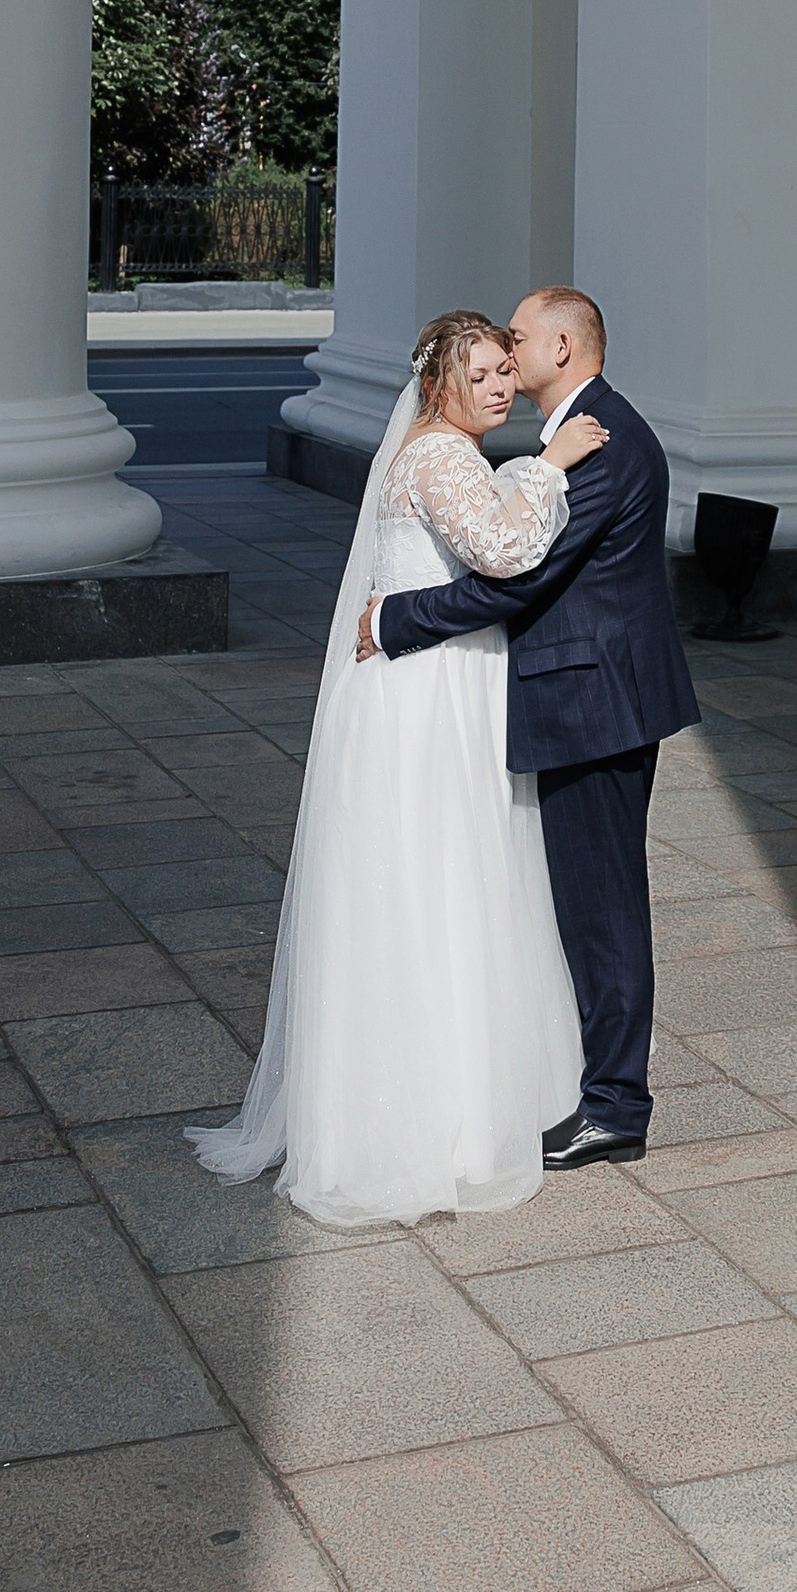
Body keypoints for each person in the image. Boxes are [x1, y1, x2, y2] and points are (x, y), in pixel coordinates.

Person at [185, 311, 607, 1227]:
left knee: (406, 889)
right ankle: (447, 1125)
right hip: (435, 697)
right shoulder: (447, 458)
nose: (499, 387)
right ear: (437, 382)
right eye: (481, 373)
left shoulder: (422, 452)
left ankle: (395, 1112)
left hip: (411, 688)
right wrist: (551, 463)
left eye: (505, 370)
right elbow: (503, 552)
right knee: (448, 885)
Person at [364, 286, 699, 1170]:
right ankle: (598, 1086)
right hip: (590, 698)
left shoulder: (605, 439)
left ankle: (616, 1106)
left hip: (596, 705)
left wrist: (398, 620)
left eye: (517, 341)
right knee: (588, 907)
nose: (510, 358)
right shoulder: (573, 436)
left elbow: (520, 578)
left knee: (604, 910)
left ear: (562, 342)